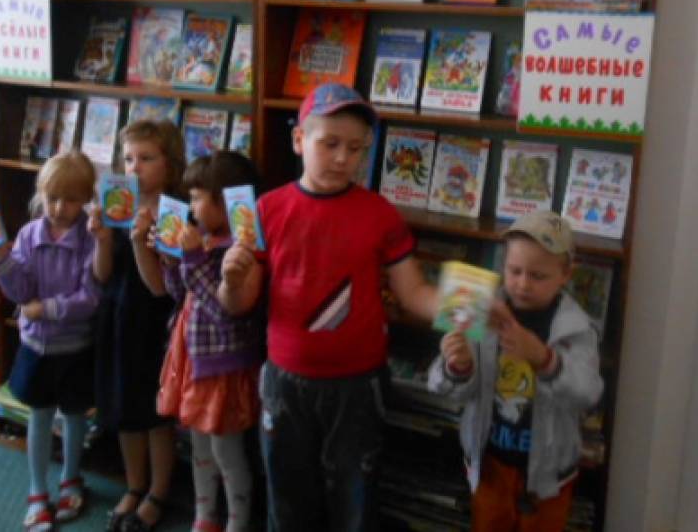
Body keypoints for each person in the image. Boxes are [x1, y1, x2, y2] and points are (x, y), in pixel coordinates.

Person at [220, 83, 439, 532]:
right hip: (285, 382)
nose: (343, 158)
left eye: (356, 149)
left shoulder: (380, 215)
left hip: (357, 385)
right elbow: (238, 304)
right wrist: (230, 280)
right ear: (299, 140)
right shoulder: (267, 210)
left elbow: (415, 293)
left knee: (354, 501)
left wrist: (474, 313)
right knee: (288, 500)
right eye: (330, 144)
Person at [428, 211, 604, 532]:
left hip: (550, 475)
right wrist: (458, 366)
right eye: (514, 271)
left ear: (566, 274)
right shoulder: (480, 310)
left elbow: (589, 394)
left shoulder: (577, 328)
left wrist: (544, 359)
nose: (523, 284)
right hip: (490, 465)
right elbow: (443, 388)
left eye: (538, 276)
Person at [140, 151, 264, 532]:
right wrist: (170, 260)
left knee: (228, 453)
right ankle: (205, 518)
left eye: (196, 198)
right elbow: (180, 294)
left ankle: (237, 523)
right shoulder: (206, 242)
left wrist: (192, 257)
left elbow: (223, 309)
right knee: (200, 449)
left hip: (224, 367)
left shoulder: (241, 251)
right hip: (194, 361)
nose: (191, 207)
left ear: (225, 202)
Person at [0, 151, 100, 532]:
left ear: (86, 199)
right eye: (52, 198)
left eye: (70, 199)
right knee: (40, 415)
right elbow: (20, 291)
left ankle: (71, 478)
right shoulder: (30, 235)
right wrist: (1, 259)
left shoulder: (90, 240)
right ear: (41, 194)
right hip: (37, 347)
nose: (59, 208)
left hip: (75, 347)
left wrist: (46, 309)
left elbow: (89, 298)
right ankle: (37, 489)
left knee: (75, 415)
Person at [89, 120, 185, 532]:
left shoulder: (174, 211)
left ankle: (158, 492)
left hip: (154, 321)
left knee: (155, 411)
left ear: (170, 163)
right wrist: (102, 239)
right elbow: (102, 275)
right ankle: (134, 484)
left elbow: (161, 288)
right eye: (128, 159)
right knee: (123, 404)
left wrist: (139, 240)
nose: (135, 167)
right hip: (118, 315)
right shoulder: (118, 205)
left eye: (146, 158)